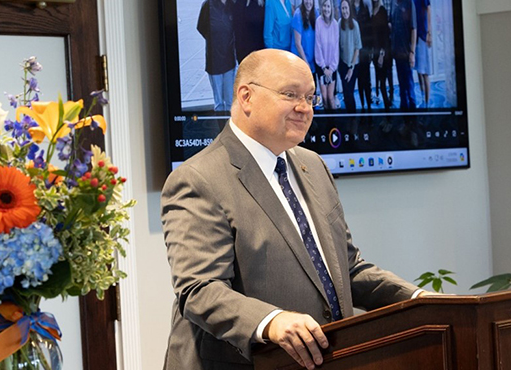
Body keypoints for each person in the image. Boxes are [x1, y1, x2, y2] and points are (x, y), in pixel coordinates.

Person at [161, 49, 431, 370]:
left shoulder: (313, 165)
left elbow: (348, 270)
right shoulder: (198, 179)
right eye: (290, 95)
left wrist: (420, 301)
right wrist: (271, 321)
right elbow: (199, 290)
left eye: (310, 97)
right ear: (246, 97)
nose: (304, 108)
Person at [198, 0, 237, 111]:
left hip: (229, 59)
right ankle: (220, 126)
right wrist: (214, 39)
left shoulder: (232, 4)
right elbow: (201, 27)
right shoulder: (208, 5)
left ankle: (229, 126)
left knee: (230, 100)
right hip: (214, 59)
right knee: (219, 102)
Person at [390, 0, 416, 110]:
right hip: (397, 53)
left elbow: (414, 29)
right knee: (401, 88)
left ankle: (413, 120)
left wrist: (412, 52)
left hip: (406, 53)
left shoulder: (409, 3)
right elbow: (392, 24)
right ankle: (405, 120)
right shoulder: (393, 3)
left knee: (409, 88)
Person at [314, 0, 339, 110]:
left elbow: (336, 50)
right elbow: (318, 46)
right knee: (324, 97)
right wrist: (324, 68)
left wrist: (331, 69)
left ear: (331, 8)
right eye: (324, 6)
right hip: (322, 66)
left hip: (332, 67)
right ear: (321, 7)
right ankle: (327, 123)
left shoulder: (335, 24)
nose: (326, 9)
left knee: (330, 97)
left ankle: (334, 125)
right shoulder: (318, 22)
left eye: (328, 6)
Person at [338, 0, 362, 112]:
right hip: (342, 64)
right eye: (342, 8)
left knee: (350, 93)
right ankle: (348, 116)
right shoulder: (339, 24)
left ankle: (353, 119)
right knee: (345, 92)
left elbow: (358, 47)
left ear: (349, 9)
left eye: (346, 8)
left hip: (353, 65)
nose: (344, 11)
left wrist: (351, 68)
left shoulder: (355, 25)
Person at [370, 0, 393, 109]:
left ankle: (388, 114)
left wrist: (381, 55)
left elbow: (385, 35)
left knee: (383, 83)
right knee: (380, 81)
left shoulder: (382, 10)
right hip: (375, 52)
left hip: (382, 54)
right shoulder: (372, 9)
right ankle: (386, 111)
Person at [354, 0, 375, 110]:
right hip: (355, 52)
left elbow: (370, 30)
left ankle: (369, 106)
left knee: (367, 80)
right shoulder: (351, 8)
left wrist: (371, 49)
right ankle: (362, 106)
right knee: (359, 80)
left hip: (365, 50)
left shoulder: (365, 7)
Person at [234, 0, 266, 65]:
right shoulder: (240, 3)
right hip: (246, 53)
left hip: (261, 52)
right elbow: (237, 30)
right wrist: (240, 56)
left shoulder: (264, 3)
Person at [291, 0, 317, 76]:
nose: (308, 2)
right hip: (300, 61)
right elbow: (297, 44)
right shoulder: (298, 14)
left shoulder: (315, 13)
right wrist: (306, 64)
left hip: (311, 62)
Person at [413, 0, 431, 108]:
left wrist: (429, 32)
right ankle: (422, 98)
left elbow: (428, 9)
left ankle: (427, 103)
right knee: (419, 71)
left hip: (422, 36)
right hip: (414, 35)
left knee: (424, 72)